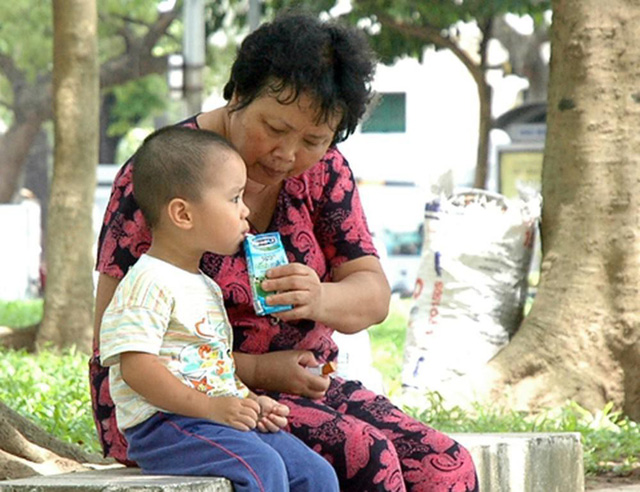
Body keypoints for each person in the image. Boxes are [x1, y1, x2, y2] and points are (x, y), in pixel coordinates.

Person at [91, 10, 478, 492]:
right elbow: (117, 344)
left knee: (445, 462)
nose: (287, 154)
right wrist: (253, 370)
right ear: (236, 95)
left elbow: (373, 297)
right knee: (365, 455)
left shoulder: (325, 173)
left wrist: (320, 299)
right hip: (185, 404)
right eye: (273, 127)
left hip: (303, 388)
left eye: (314, 140)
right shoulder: (171, 172)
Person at [99, 125, 339, 492]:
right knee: (261, 467)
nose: (245, 211)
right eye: (234, 198)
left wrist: (248, 401)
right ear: (183, 214)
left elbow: (213, 368)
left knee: (315, 473)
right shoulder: (148, 282)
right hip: (164, 425)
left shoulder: (203, 284)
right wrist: (211, 409)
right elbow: (137, 369)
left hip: (211, 418)